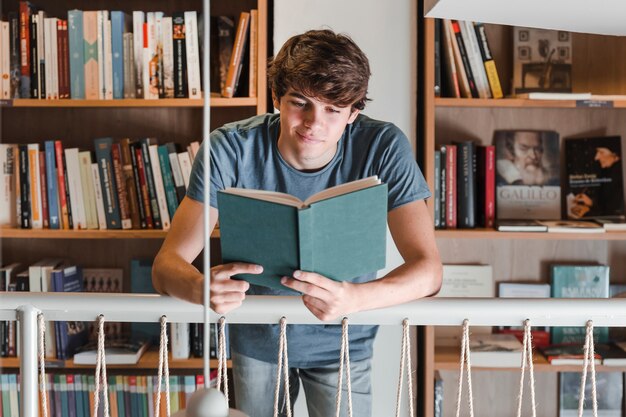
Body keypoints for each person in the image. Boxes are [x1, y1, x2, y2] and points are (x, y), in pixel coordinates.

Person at [152, 29, 442, 417]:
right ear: (277, 98)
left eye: (333, 111)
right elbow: (165, 266)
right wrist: (200, 288)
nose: (313, 124)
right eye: (300, 103)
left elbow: (429, 273)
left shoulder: (382, 146)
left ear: (354, 113)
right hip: (257, 340)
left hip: (345, 340)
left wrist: (355, 298)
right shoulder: (229, 148)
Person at [568, 143, 624, 218]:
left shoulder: (619, 176)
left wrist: (586, 213)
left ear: (615, 154)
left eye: (601, 152)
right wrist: (591, 203)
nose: (596, 157)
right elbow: (607, 205)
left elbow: (612, 215)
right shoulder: (609, 171)